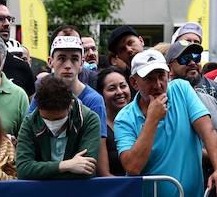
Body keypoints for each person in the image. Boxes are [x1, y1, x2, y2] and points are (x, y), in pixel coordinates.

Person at [115, 49, 217, 197]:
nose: (158, 85)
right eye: (149, 79)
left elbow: (207, 131)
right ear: (134, 82)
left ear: (168, 74)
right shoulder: (124, 118)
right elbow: (132, 167)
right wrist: (152, 120)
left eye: (161, 76)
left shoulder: (181, 89)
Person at [32, 35, 109, 174]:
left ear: (81, 63)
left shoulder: (94, 100)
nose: (68, 65)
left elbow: (97, 150)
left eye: (74, 59)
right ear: (50, 62)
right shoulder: (40, 96)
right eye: (62, 58)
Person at [16, 74, 100, 180]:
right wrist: (65, 165)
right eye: (46, 119)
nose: (52, 124)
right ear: (38, 107)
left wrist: (40, 173)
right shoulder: (30, 122)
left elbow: (86, 170)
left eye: (58, 119)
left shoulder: (89, 120)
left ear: (70, 105)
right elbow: (23, 170)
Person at [91, 66, 131, 177]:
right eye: (112, 88)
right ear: (101, 94)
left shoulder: (141, 119)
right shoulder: (98, 125)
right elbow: (104, 174)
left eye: (123, 86)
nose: (119, 92)